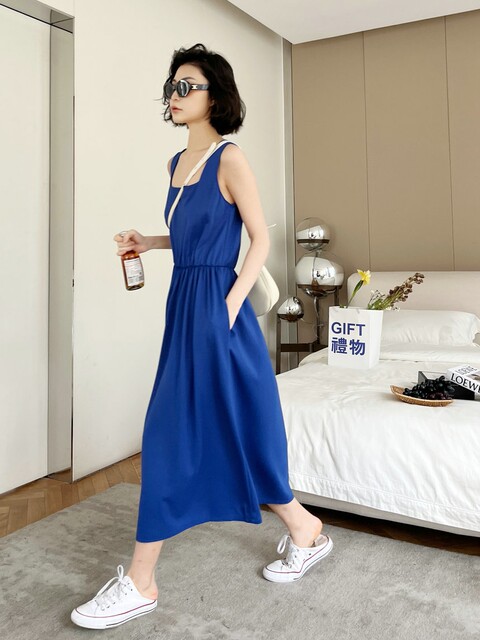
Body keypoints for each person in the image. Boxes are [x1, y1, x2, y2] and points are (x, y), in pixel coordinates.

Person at [71, 43, 332, 630]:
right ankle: (304, 528)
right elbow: (193, 236)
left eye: (187, 85)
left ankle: (142, 581)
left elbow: (260, 238)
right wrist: (149, 241)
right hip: (185, 303)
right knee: (214, 425)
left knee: (181, 429)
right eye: (172, 85)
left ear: (216, 96)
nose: (175, 94)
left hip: (219, 307)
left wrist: (229, 307)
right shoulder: (175, 163)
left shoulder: (229, 157)